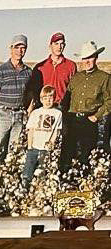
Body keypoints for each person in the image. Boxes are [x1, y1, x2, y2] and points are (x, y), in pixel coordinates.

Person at [59, 41, 111, 174]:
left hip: (89, 121)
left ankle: (86, 183)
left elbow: (109, 101)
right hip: (72, 120)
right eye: (85, 58)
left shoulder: (104, 78)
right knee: (67, 156)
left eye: (90, 57)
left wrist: (96, 116)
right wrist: (65, 117)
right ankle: (65, 181)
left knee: (86, 156)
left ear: (96, 57)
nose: (87, 61)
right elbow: (66, 98)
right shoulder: (76, 77)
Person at [0, 35, 32, 163]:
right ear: (11, 49)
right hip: (3, 115)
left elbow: (30, 96)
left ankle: (9, 171)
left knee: (14, 151)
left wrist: (28, 112)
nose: (19, 51)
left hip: (19, 115)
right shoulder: (1, 70)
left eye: (23, 48)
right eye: (17, 47)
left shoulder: (28, 72)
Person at [22, 85, 62, 188]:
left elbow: (56, 130)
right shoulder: (36, 113)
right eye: (45, 98)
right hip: (34, 146)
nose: (48, 101)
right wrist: (30, 146)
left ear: (54, 98)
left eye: (50, 98)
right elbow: (31, 130)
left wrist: (51, 143)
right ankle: (25, 186)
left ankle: (40, 188)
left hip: (45, 148)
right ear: (41, 99)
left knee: (42, 170)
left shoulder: (57, 113)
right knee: (28, 169)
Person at [24, 32, 77, 110]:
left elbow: (73, 90)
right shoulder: (40, 67)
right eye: (56, 44)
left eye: (61, 44)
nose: (59, 47)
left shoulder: (71, 66)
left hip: (63, 108)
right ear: (50, 46)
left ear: (64, 46)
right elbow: (34, 90)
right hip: (44, 108)